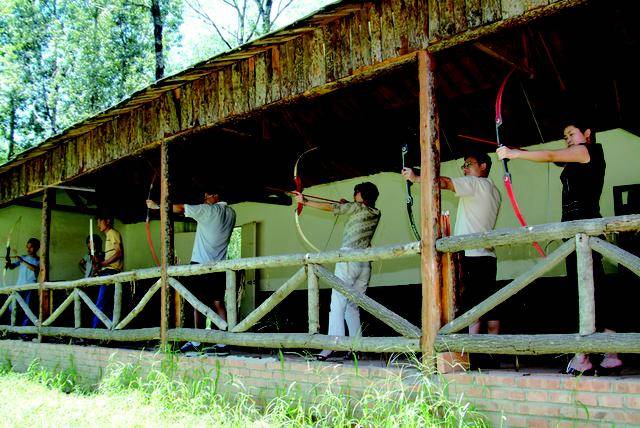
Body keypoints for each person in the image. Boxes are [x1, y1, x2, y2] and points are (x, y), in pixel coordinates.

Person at [497, 121, 622, 376]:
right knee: (587, 288)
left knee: (590, 288)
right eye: (564, 135)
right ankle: (605, 354)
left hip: (585, 229)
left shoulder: (589, 150)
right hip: (574, 230)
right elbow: (554, 158)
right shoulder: (575, 158)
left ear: (587, 134)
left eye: (571, 133)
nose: (567, 138)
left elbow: (552, 155)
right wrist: (516, 150)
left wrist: (514, 154)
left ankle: (591, 355)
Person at [403, 152, 502, 338]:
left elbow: (445, 183)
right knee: (490, 306)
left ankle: (471, 355)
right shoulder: (494, 191)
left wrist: (416, 178)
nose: (465, 168)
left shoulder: (474, 184)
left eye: (469, 164)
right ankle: (492, 353)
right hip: (488, 256)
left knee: (472, 309)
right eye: (463, 165)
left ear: (483, 166)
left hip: (471, 256)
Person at [293, 182, 381, 361]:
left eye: (356, 192)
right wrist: (347, 204)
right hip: (364, 263)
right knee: (352, 306)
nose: (354, 194)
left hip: (348, 261)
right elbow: (348, 207)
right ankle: (356, 347)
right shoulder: (376, 212)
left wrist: (305, 201)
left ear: (361, 195)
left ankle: (332, 346)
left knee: (338, 304)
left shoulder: (355, 207)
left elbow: (331, 207)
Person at [147, 190, 236, 354]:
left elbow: (180, 209)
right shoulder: (231, 213)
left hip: (200, 265)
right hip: (220, 265)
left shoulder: (208, 210)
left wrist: (156, 206)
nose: (205, 199)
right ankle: (224, 343)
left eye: (207, 195)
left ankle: (196, 342)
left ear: (216, 195)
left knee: (197, 304)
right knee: (218, 303)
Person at [92, 216, 124, 328]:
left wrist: (103, 264)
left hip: (111, 272)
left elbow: (118, 253)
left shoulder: (112, 233)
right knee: (108, 303)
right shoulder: (108, 236)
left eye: (100, 221)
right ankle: (110, 329)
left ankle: (94, 330)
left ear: (108, 220)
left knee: (101, 302)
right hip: (108, 271)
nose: (98, 225)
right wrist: (99, 265)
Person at [5, 238, 40, 327]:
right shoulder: (23, 257)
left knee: (27, 309)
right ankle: (12, 329)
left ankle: (24, 333)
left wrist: (22, 261)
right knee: (13, 307)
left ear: (37, 248)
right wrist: (8, 263)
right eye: (27, 247)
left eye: (31, 247)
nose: (28, 249)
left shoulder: (39, 260)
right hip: (19, 287)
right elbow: (12, 267)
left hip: (30, 288)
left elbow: (35, 269)